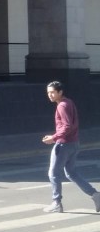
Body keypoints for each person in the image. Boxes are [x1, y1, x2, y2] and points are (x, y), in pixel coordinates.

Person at [41, 81, 100, 213]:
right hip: (73, 143)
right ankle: (96, 195)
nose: (49, 95)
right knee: (71, 173)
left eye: (52, 92)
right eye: (48, 92)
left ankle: (56, 202)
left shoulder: (62, 105)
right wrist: (55, 135)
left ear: (60, 92)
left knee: (53, 173)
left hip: (64, 144)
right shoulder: (69, 102)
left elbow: (67, 126)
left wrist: (54, 138)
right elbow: (68, 126)